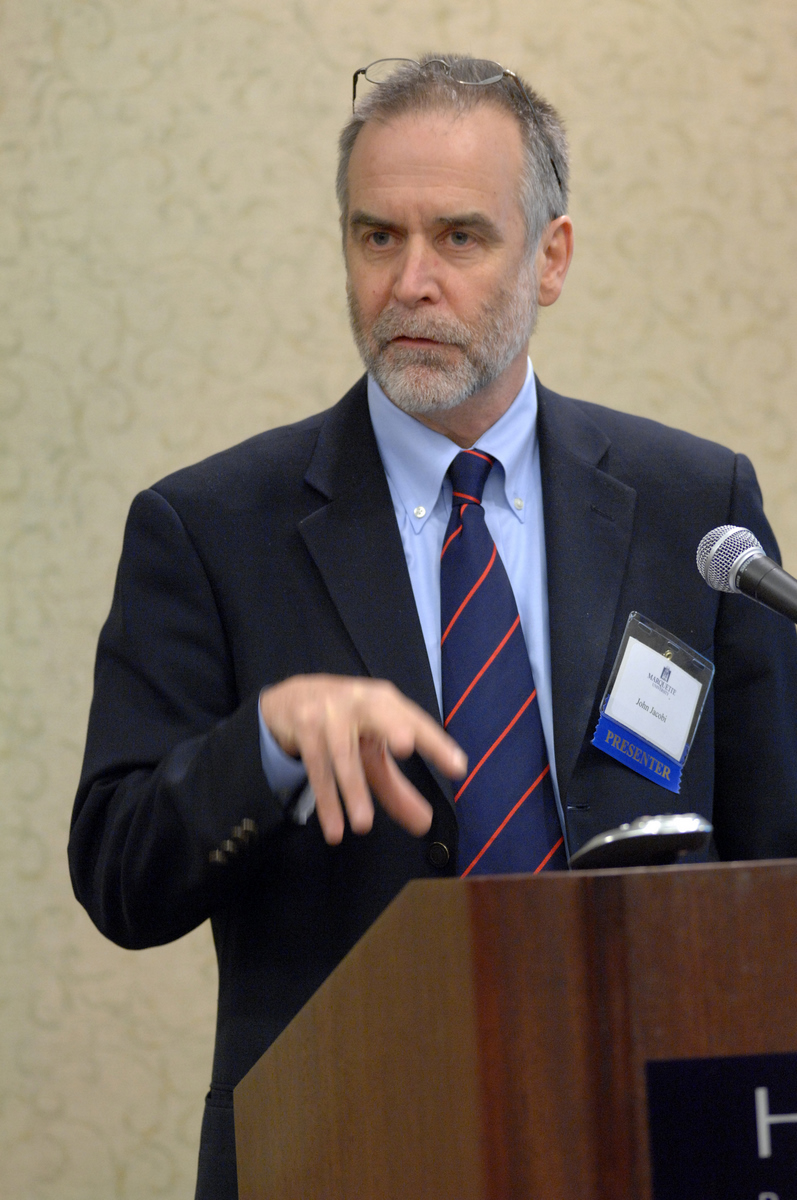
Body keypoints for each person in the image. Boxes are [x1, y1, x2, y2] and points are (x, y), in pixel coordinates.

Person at [68, 55, 797, 1200]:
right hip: (344, 1145)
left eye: (459, 237)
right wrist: (260, 746)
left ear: (549, 257)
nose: (410, 283)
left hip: (653, 1136)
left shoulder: (693, 507)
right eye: (377, 237)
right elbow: (119, 878)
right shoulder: (208, 527)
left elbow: (775, 858)